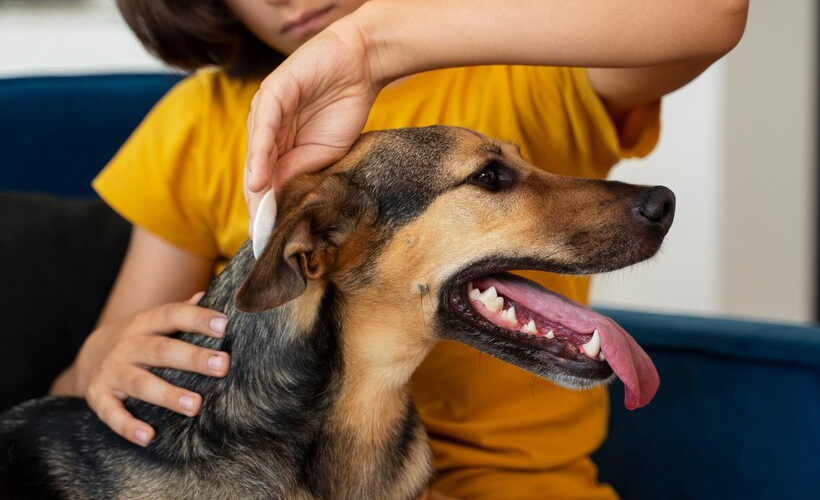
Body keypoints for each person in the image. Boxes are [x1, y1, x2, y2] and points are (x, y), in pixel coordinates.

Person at [50, 0, 748, 498]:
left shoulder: (519, 66)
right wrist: (98, 360)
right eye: (491, 178)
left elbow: (711, 10)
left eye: (494, 174)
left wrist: (375, 41)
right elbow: (92, 385)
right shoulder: (203, 122)